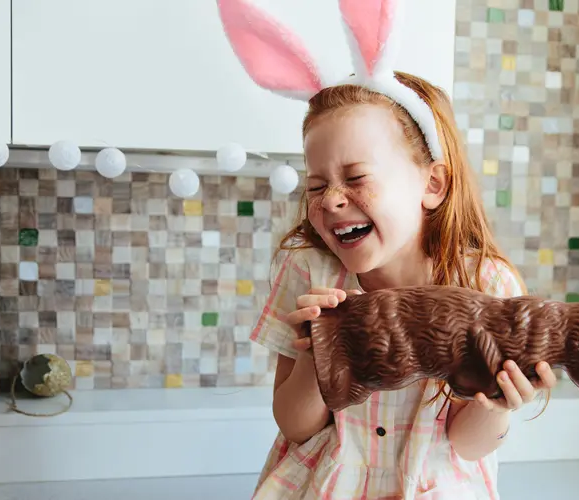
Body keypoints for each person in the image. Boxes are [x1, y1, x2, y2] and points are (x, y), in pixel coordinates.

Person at [216, 1, 558, 498]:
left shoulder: (486, 287)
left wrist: (496, 402)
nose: (331, 199)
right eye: (315, 186)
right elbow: (295, 425)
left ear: (433, 184)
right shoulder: (308, 270)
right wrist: (320, 351)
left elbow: (465, 446)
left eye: (355, 178)